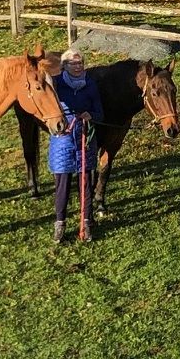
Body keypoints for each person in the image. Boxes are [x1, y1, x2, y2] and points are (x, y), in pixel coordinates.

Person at [48, 48, 104, 242]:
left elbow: (99, 112)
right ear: (65, 66)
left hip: (85, 138)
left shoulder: (90, 84)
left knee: (86, 183)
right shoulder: (56, 84)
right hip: (63, 139)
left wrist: (91, 115)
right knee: (62, 184)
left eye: (81, 63)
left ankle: (86, 222)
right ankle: (60, 223)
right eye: (74, 63)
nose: (79, 66)